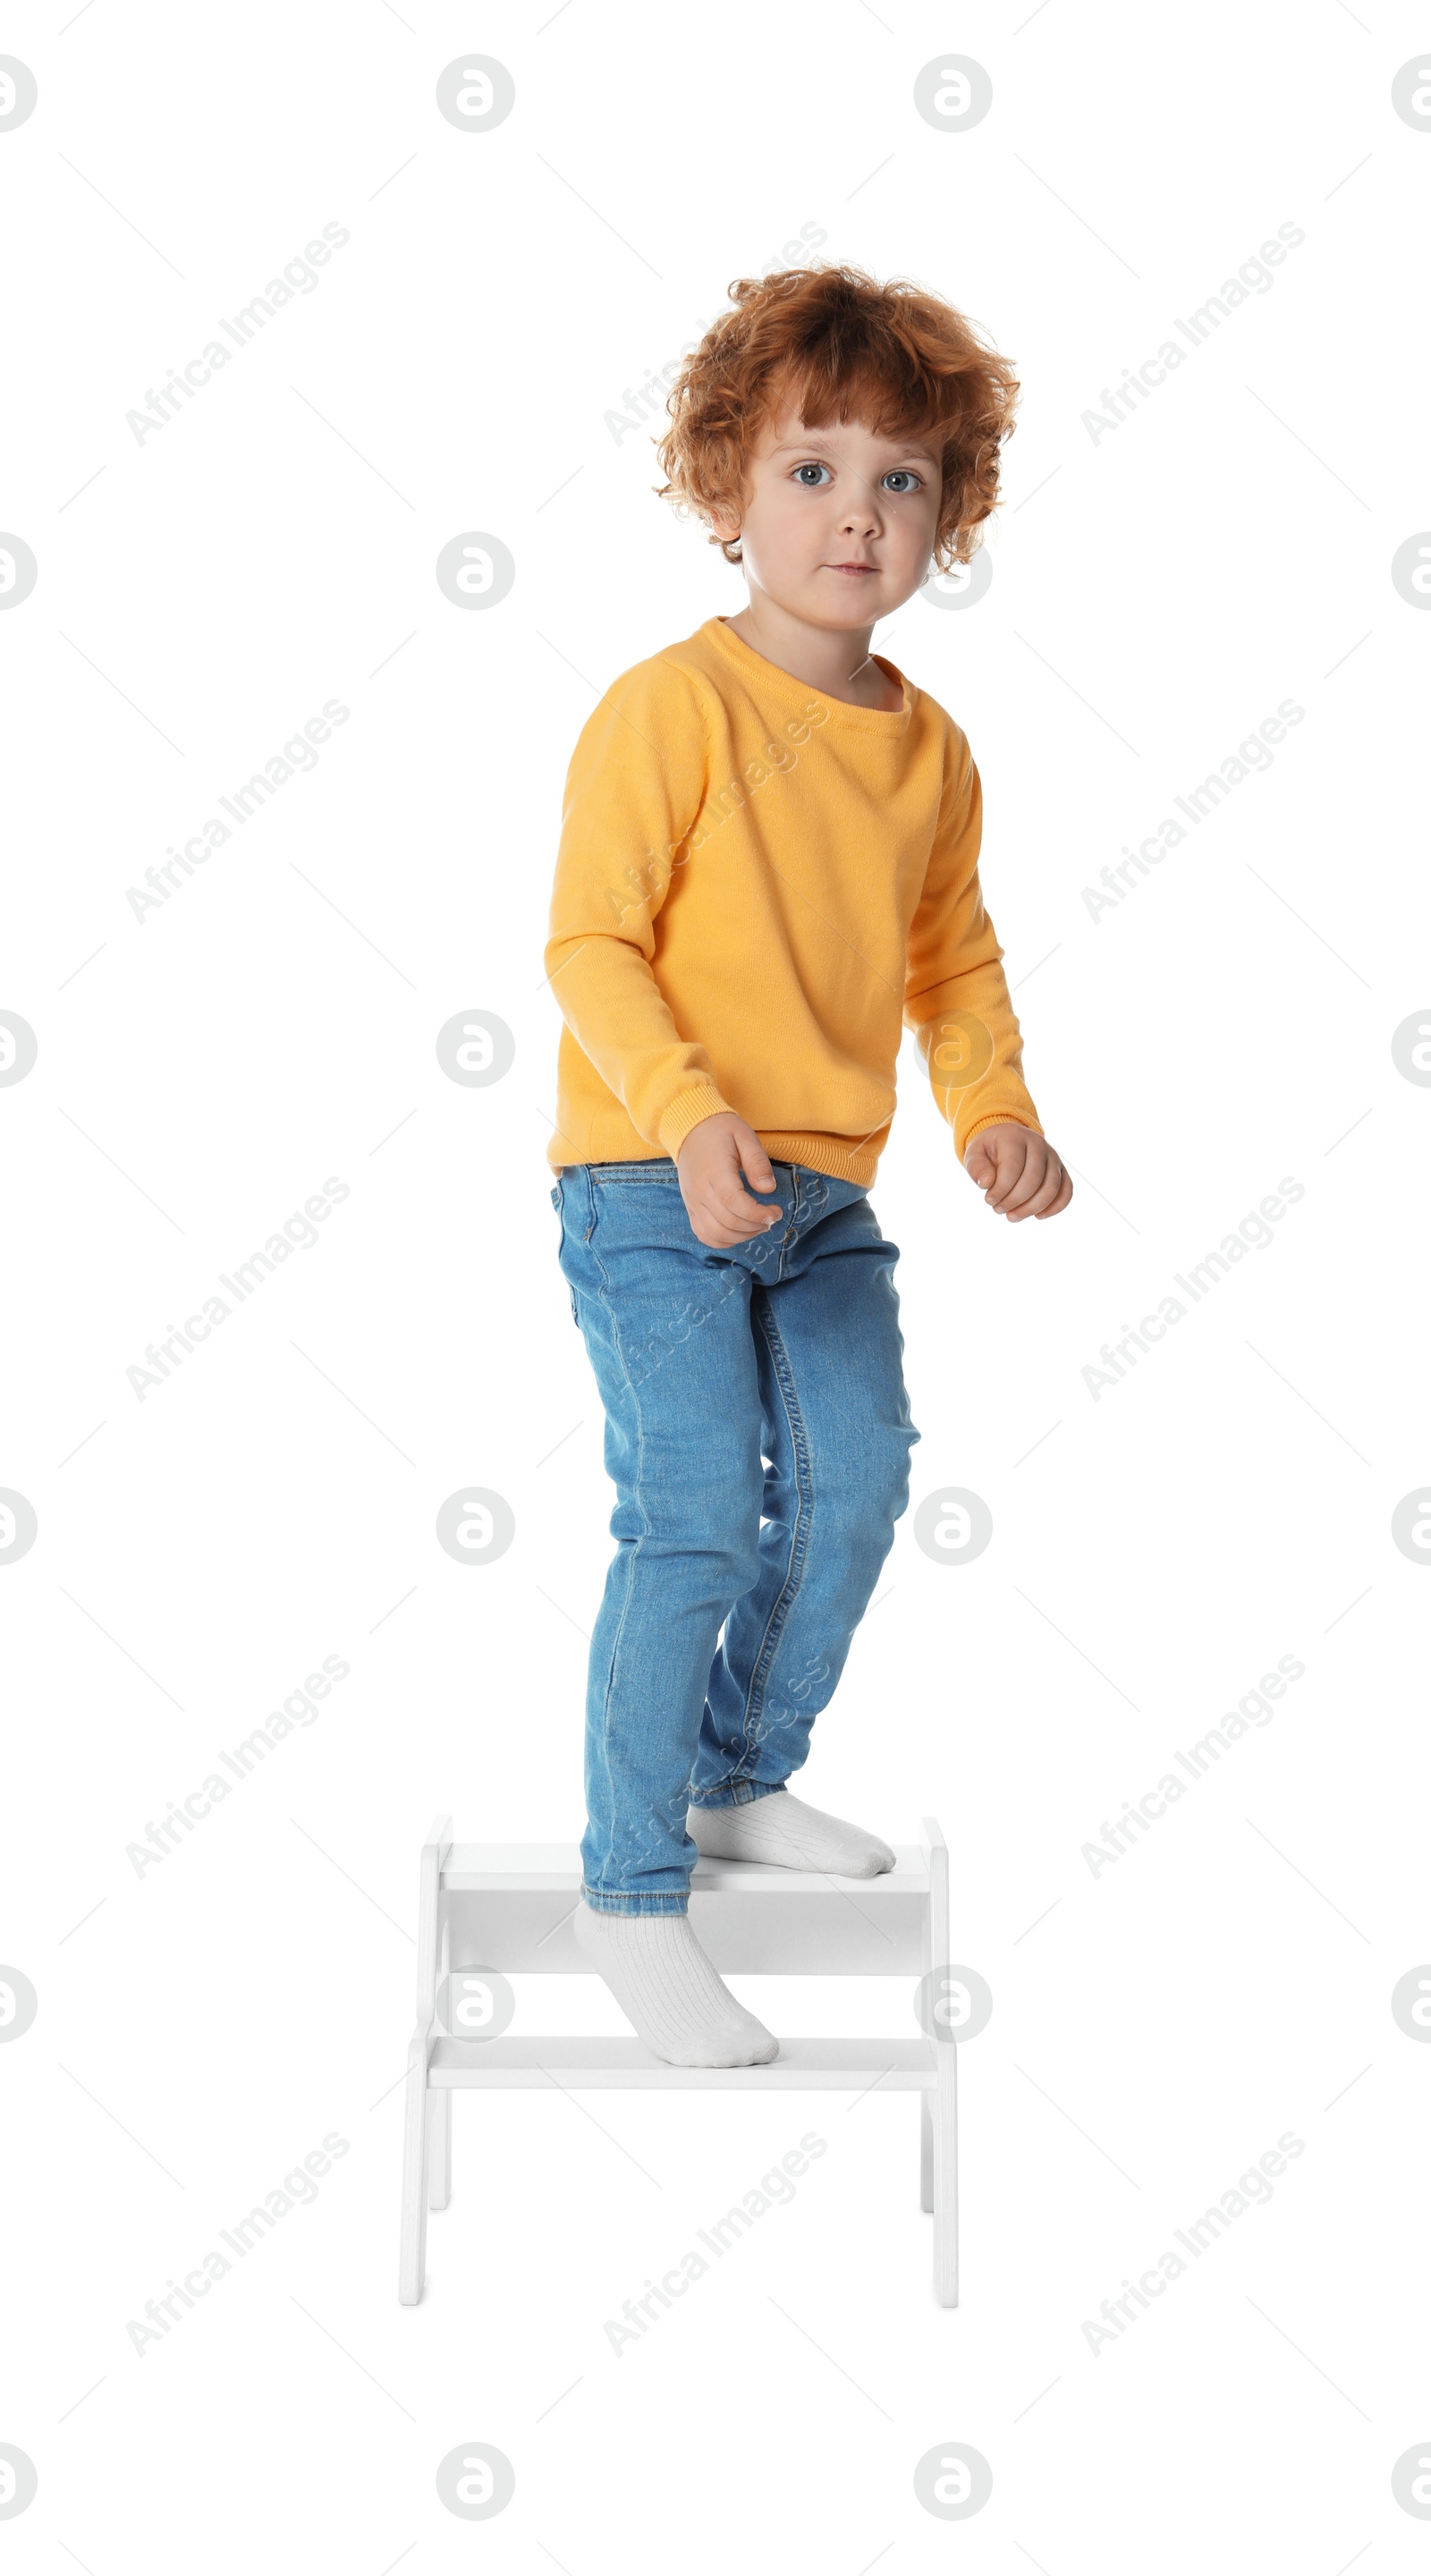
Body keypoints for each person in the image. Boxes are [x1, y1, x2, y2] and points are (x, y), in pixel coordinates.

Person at [543, 260, 1071, 2068]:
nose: (856, 513)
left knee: (851, 1485)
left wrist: (990, 1102)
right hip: (650, 1178)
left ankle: (732, 1777)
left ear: (949, 512)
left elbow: (948, 956)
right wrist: (689, 1115)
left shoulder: (928, 752)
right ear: (723, 492)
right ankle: (627, 1892)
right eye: (809, 468)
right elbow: (589, 947)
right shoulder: (665, 711)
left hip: (824, 1196)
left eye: (900, 478)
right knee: (688, 1510)